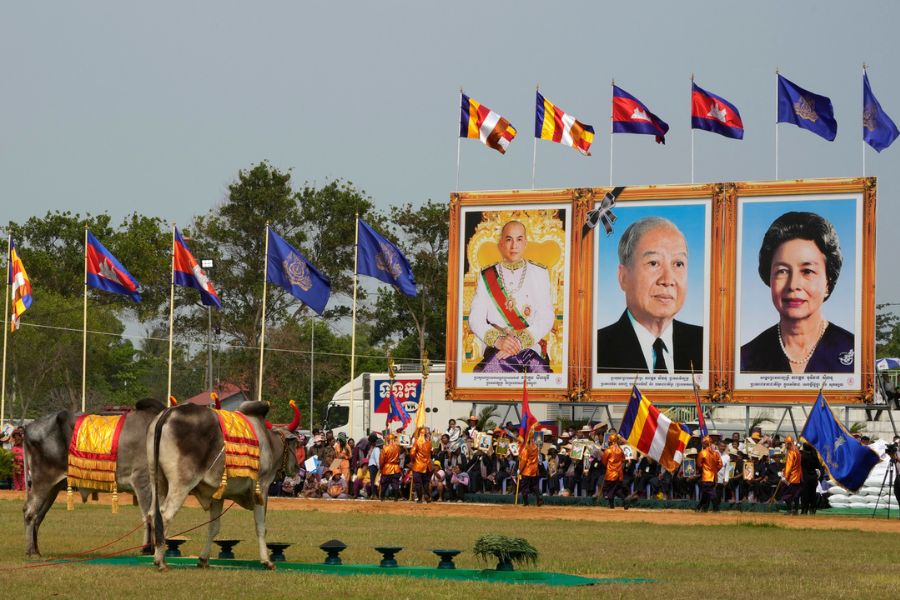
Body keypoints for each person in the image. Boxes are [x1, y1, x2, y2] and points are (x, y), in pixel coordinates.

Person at [741, 211, 854, 373]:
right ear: (769, 278)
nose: (793, 285)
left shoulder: (855, 352)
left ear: (828, 281)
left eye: (807, 271)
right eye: (782, 271)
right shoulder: (746, 358)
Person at [596, 216, 703, 374]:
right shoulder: (596, 349)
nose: (667, 280)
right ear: (623, 277)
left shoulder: (705, 344)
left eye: (678, 264)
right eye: (653, 263)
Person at [468, 220, 554, 373]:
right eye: (509, 239)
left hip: (530, 349)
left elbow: (546, 317)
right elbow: (475, 319)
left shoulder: (540, 273)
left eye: (519, 239)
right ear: (501, 244)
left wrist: (519, 343)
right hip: (496, 350)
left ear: (525, 243)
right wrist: (499, 341)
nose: (514, 245)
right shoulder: (487, 275)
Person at [600, 434, 629, 509]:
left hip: (610, 474)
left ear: (610, 441)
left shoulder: (608, 450)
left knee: (607, 488)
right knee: (616, 490)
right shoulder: (620, 450)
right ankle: (622, 500)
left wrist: (608, 465)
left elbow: (603, 461)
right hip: (619, 474)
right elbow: (624, 460)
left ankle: (609, 500)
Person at [696, 436, 723, 512]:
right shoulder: (716, 453)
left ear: (705, 444)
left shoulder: (702, 453)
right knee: (705, 493)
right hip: (714, 476)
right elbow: (720, 464)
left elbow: (699, 464)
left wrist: (704, 470)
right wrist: (715, 470)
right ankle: (699, 507)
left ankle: (716, 508)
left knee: (711, 492)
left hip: (706, 476)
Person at [517, 429, 543, 507]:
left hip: (526, 470)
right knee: (534, 486)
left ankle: (526, 502)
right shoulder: (535, 447)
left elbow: (524, 460)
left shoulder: (526, 448)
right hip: (534, 469)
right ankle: (539, 499)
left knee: (524, 486)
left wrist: (520, 469)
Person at [410, 427, 433, 502]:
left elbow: (412, 453)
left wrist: (412, 461)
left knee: (418, 483)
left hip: (418, 465)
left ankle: (420, 498)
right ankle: (427, 496)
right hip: (427, 465)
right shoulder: (429, 443)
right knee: (426, 482)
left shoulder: (417, 442)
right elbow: (431, 453)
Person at [780, 436, 802, 515]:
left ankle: (789, 509)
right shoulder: (797, 451)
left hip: (791, 478)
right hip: (798, 477)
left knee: (785, 494)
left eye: (785, 443)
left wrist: (785, 477)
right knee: (796, 495)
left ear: (788, 444)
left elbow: (789, 466)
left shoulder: (791, 452)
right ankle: (796, 510)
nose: (785, 445)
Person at [799, 441, 822, 515]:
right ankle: (813, 509)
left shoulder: (803, 456)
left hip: (805, 477)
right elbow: (818, 466)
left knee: (805, 494)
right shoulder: (814, 456)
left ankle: (804, 509)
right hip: (813, 477)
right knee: (812, 494)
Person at [379, 433, 402, 501]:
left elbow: (381, 460)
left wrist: (381, 468)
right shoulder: (398, 448)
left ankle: (382, 497)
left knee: (384, 484)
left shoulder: (385, 448)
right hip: (396, 468)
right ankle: (396, 497)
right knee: (395, 483)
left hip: (387, 468)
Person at [11, 427, 26, 491]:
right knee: (15, 473)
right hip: (16, 454)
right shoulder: (14, 441)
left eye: (17, 435)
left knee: (22, 474)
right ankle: (17, 487)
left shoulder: (22, 439)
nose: (16, 437)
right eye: (15, 435)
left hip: (21, 455)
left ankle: (23, 487)